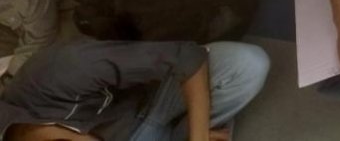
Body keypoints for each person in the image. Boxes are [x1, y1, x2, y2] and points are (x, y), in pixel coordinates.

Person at [0, 39, 270, 140]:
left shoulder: (67, 68)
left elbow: (187, 55)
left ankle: (195, 132)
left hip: (144, 105)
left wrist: (197, 137)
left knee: (247, 63)